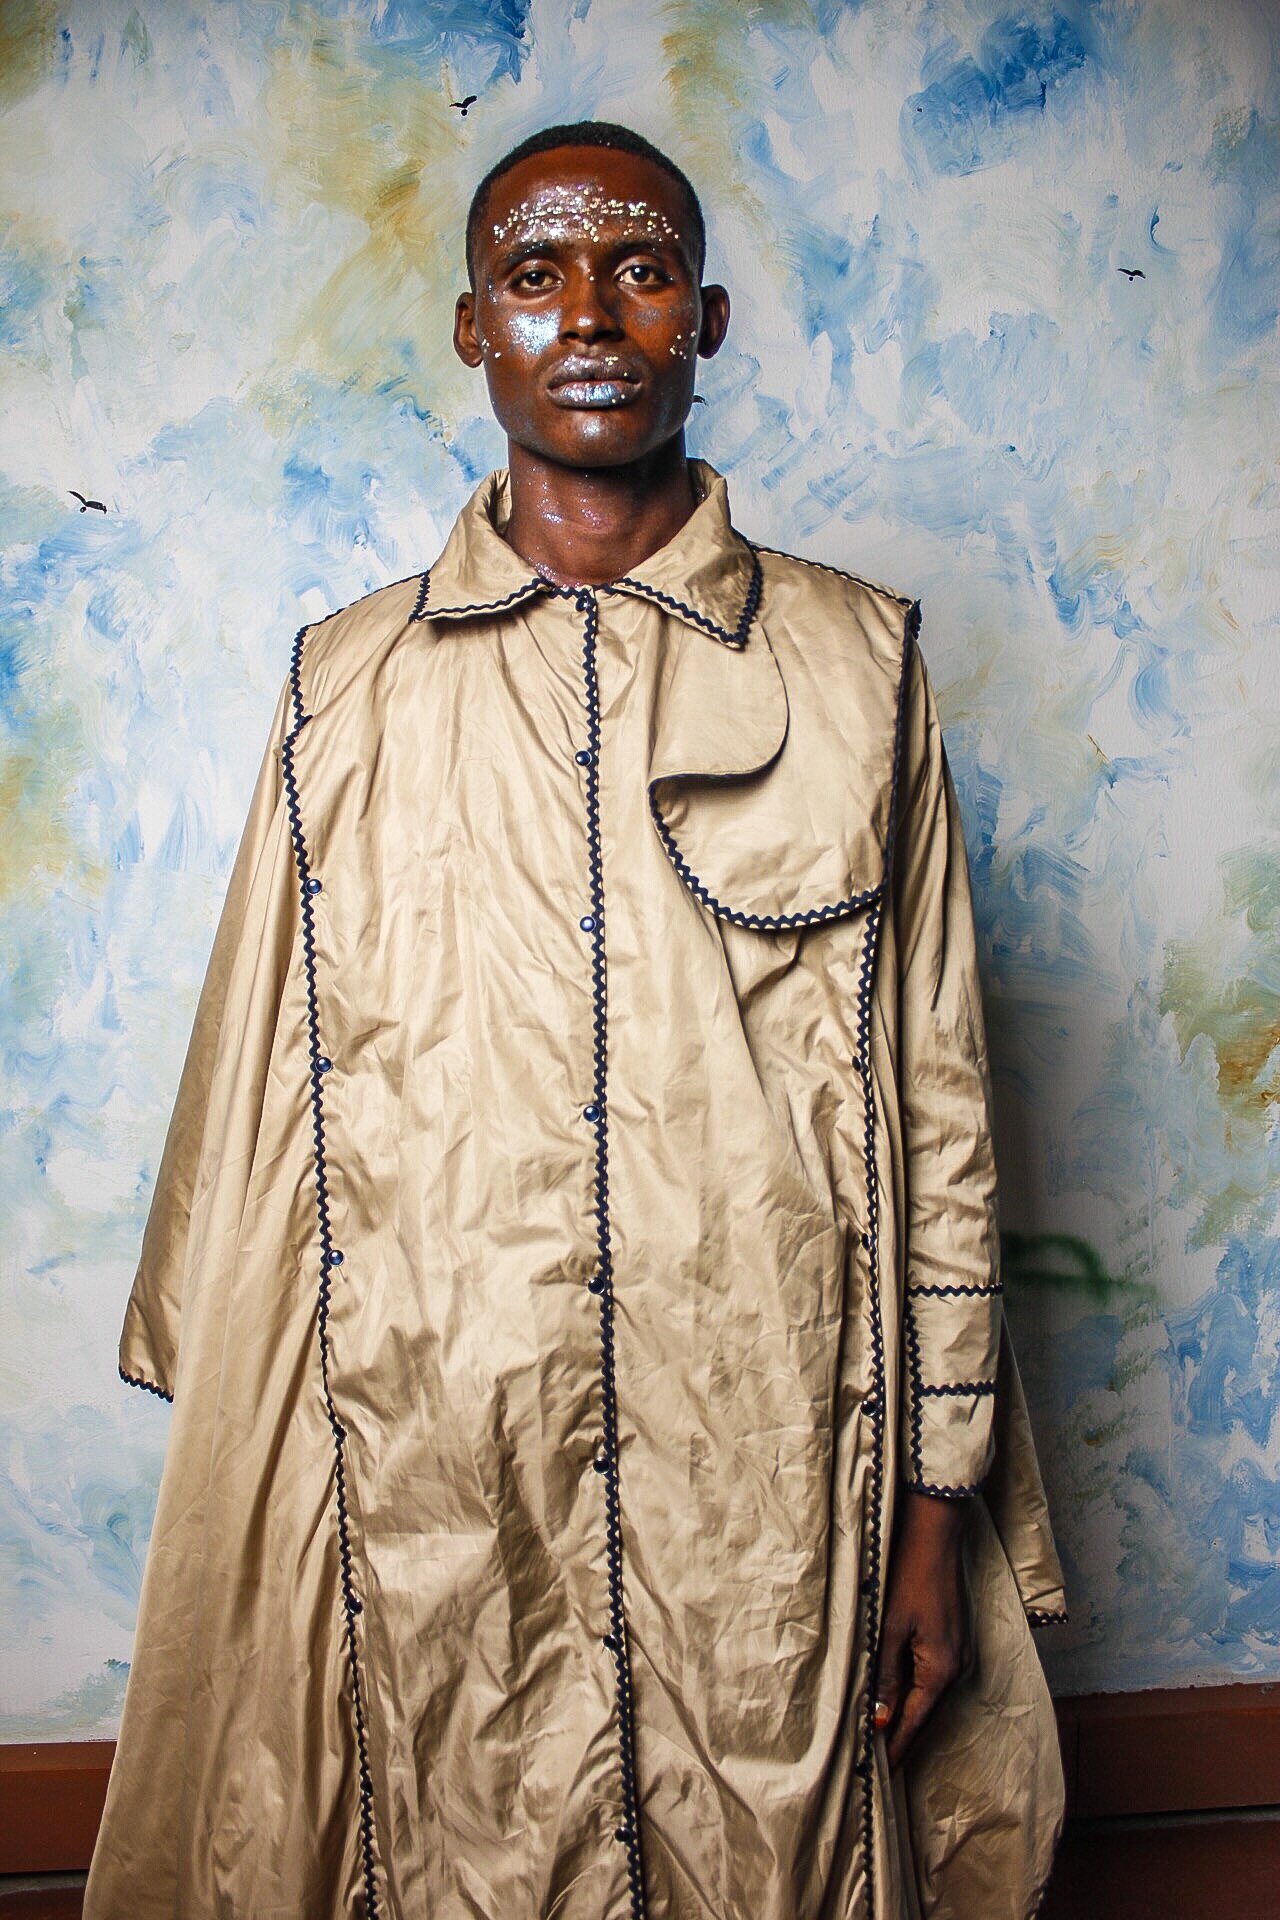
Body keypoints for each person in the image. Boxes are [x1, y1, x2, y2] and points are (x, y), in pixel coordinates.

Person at [84, 120, 1066, 1920]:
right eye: (537, 275)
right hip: (445, 1470)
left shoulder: (861, 669)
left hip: (777, 1470)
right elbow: (258, 1123)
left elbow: (939, 1114)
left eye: (641, 269)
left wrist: (936, 1513)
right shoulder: (342, 690)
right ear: (475, 326)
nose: (592, 315)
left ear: (708, 317)